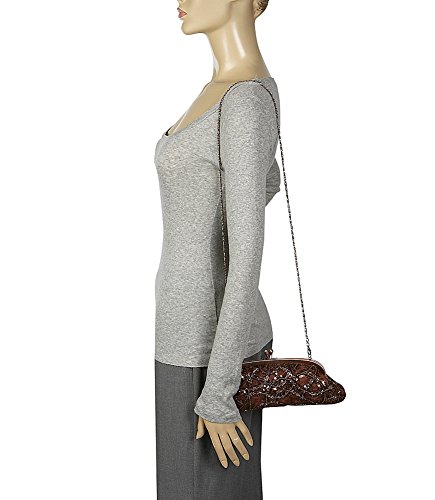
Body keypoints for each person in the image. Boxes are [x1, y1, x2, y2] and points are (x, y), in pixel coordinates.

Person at [153, 0, 280, 498]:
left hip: (209, 352)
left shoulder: (243, 100)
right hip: (188, 336)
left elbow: (248, 252)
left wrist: (221, 390)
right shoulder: (224, 91)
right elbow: (264, 184)